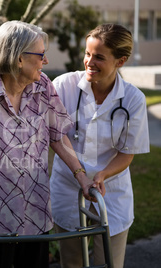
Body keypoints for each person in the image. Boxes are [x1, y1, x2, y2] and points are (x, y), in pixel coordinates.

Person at [0, 20, 96, 268]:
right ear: (18, 59)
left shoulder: (43, 87)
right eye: (40, 55)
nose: (45, 61)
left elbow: (58, 135)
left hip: (35, 210)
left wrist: (80, 175)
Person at [50, 23, 150, 268]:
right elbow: (56, 135)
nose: (89, 62)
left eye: (99, 57)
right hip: (68, 186)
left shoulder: (133, 99)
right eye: (87, 54)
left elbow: (127, 153)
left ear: (121, 61)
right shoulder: (64, 86)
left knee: (110, 262)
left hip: (111, 193)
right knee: (72, 261)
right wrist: (81, 174)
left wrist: (103, 174)